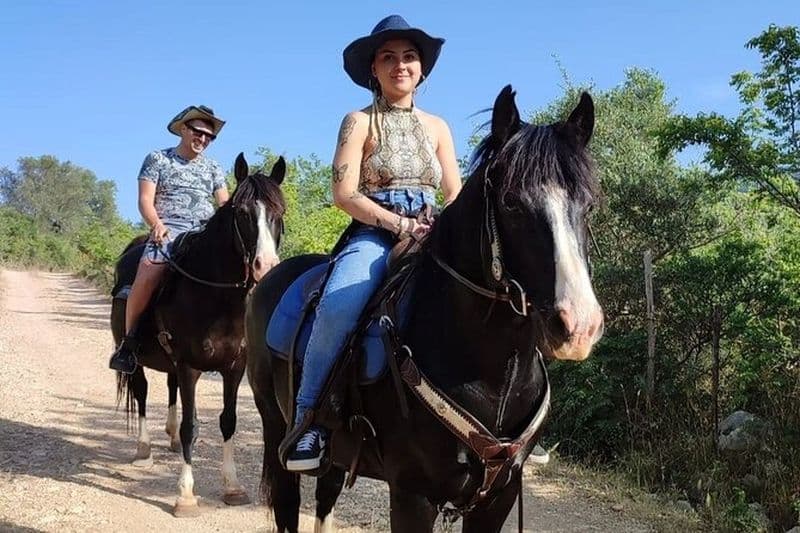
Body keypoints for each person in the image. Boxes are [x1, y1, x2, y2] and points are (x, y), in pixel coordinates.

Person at [285, 14, 462, 472]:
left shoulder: (439, 127)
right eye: (388, 57)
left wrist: (445, 228)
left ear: (422, 68)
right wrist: (398, 226)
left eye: (408, 56)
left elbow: (455, 193)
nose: (399, 64)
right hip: (374, 232)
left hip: (432, 230)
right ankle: (310, 420)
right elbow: (344, 194)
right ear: (374, 70)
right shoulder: (358, 121)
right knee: (341, 305)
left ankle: (506, 422)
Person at [109, 105, 229, 374]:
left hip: (204, 232)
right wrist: (156, 224)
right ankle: (128, 344)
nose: (204, 139)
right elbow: (144, 200)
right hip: (169, 229)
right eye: (198, 132)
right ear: (184, 129)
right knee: (149, 271)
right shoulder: (158, 159)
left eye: (210, 136)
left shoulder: (214, 168)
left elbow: (224, 203)